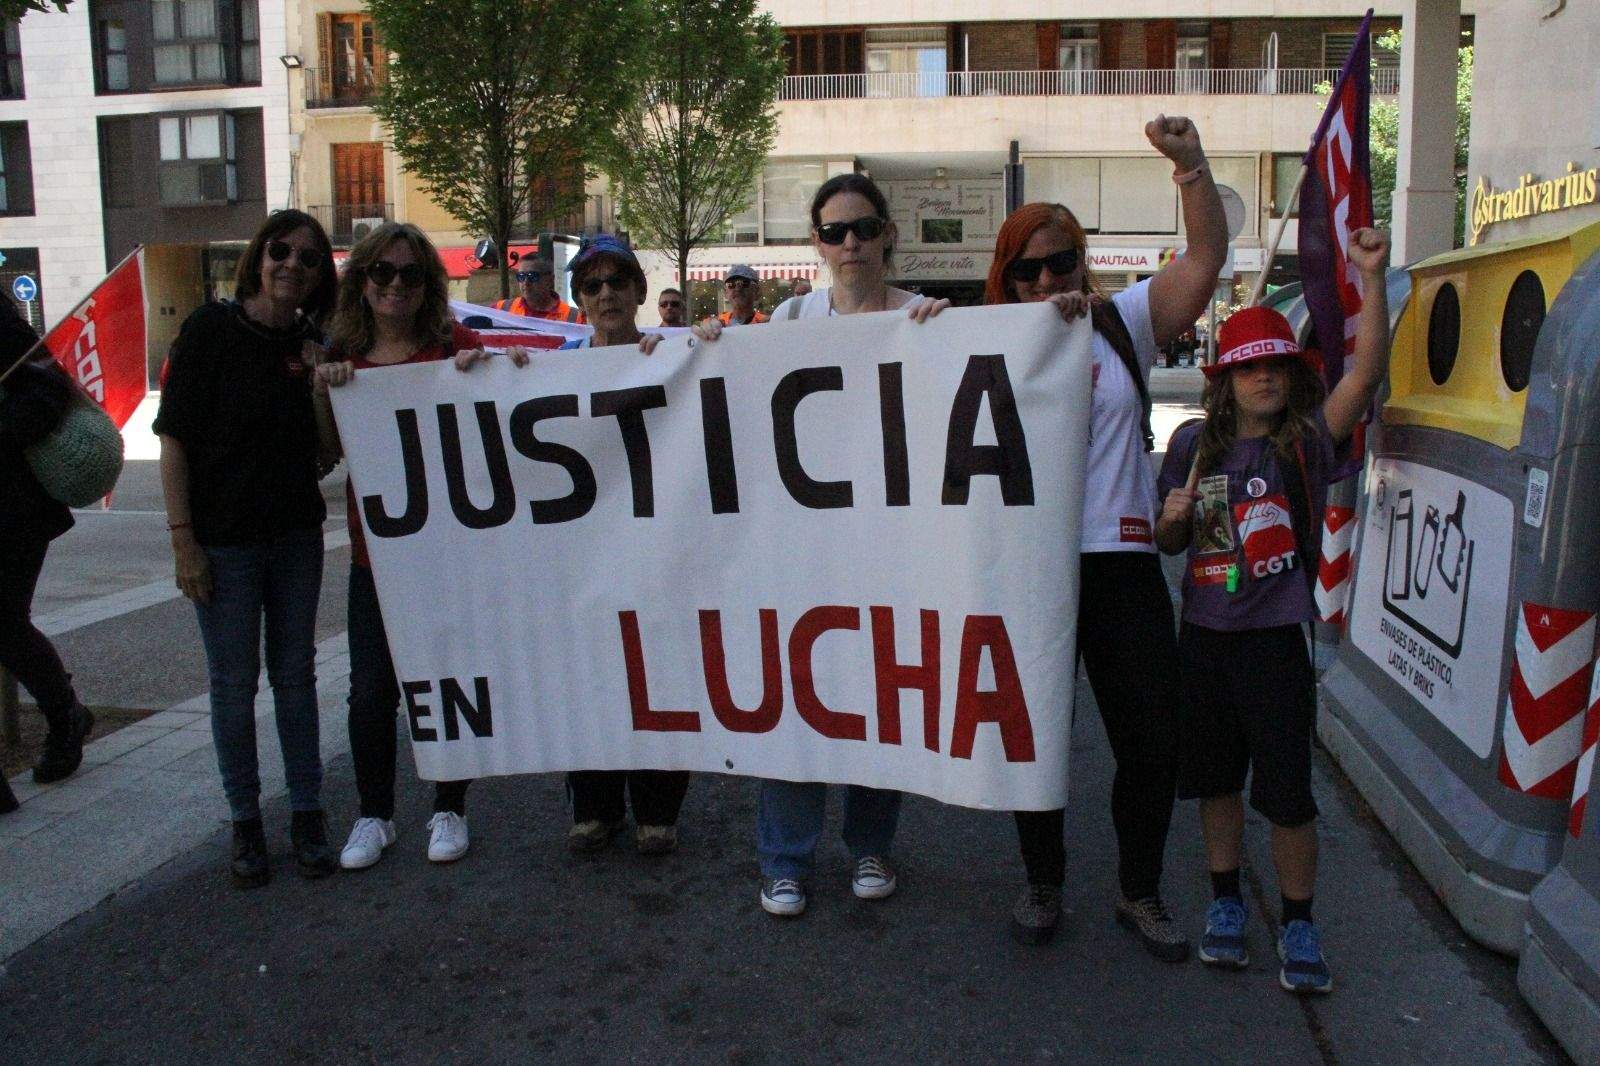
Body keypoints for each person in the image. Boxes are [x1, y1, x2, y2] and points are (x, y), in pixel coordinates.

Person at [988, 115, 1228, 957]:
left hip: (1121, 562)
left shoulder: (1121, 321)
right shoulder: (979, 343)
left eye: (1061, 259)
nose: (1046, 277)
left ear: (1083, 260)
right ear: (1005, 278)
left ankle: (1139, 890)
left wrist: (1191, 169)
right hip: (1028, 568)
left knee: (1152, 738)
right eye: (1027, 267)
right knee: (1036, 738)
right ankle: (1042, 880)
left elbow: (1202, 264)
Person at [697, 172, 948, 917]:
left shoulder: (924, 318)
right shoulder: (792, 318)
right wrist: (712, 349)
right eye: (835, 231)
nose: (850, 244)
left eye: (864, 228)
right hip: (803, 551)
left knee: (877, 694)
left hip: (889, 547)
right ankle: (786, 860)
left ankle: (871, 847)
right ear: (816, 242)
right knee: (798, 698)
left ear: (888, 235)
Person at [1155, 229, 1392, 994]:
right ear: (1225, 379)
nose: (1263, 379)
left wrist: (1371, 277)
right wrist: (1176, 512)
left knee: (1288, 792)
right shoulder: (1193, 444)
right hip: (1205, 642)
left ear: (1293, 376)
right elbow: (1167, 543)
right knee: (1215, 783)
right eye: (1248, 367)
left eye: (1276, 367)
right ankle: (1227, 905)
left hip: (1273, 645)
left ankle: (1297, 918)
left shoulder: (1305, 444)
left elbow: (1366, 376)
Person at [311, 223, 518, 870]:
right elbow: (328, 452)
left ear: (428, 284)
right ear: (363, 281)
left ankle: (449, 806)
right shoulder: (344, 354)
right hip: (379, 555)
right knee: (371, 691)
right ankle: (375, 815)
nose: (396, 285)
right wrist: (324, 393)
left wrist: (483, 370)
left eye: (410, 274)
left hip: (449, 553)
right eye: (383, 273)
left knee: (448, 680)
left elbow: (510, 400)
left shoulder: (452, 345)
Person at [470, 233, 683, 854]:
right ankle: (594, 804)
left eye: (618, 282)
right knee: (587, 670)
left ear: (641, 291)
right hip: (582, 557)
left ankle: (657, 808)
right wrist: (477, 379)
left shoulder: (673, 355)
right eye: (592, 285)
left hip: (655, 551)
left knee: (658, 669)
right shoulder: (553, 367)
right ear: (579, 299)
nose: (607, 294)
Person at [154, 209, 339, 888]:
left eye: (308, 258)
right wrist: (184, 544)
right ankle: (246, 824)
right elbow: (173, 443)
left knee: (296, 678)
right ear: (259, 257)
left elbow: (325, 454)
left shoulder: (313, 342)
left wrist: (321, 388)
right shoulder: (209, 331)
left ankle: (308, 814)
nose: (292, 265)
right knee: (233, 686)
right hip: (225, 545)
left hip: (295, 538)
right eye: (281, 251)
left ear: (321, 276)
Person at [0, 299, 95, 789]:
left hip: (13, 512)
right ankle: (67, 716)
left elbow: (48, 393)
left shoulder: (7, 331)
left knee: (5, 624)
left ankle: (65, 719)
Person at [492, 256, 583, 323]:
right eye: (521, 276)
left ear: (550, 280)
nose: (526, 282)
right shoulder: (502, 309)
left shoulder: (574, 318)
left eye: (532, 276)